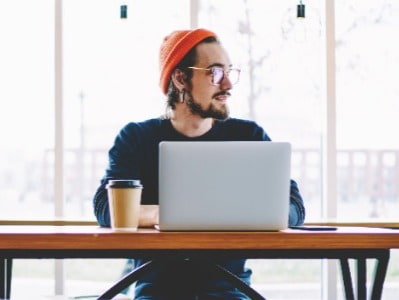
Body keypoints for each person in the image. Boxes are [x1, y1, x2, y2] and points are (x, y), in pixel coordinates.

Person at [93, 28, 305, 299]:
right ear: (181, 78)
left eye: (229, 72)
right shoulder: (137, 138)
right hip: (157, 290)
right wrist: (167, 216)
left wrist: (260, 215)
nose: (227, 84)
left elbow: (295, 207)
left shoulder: (248, 137)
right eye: (215, 72)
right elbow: (105, 208)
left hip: (230, 289)